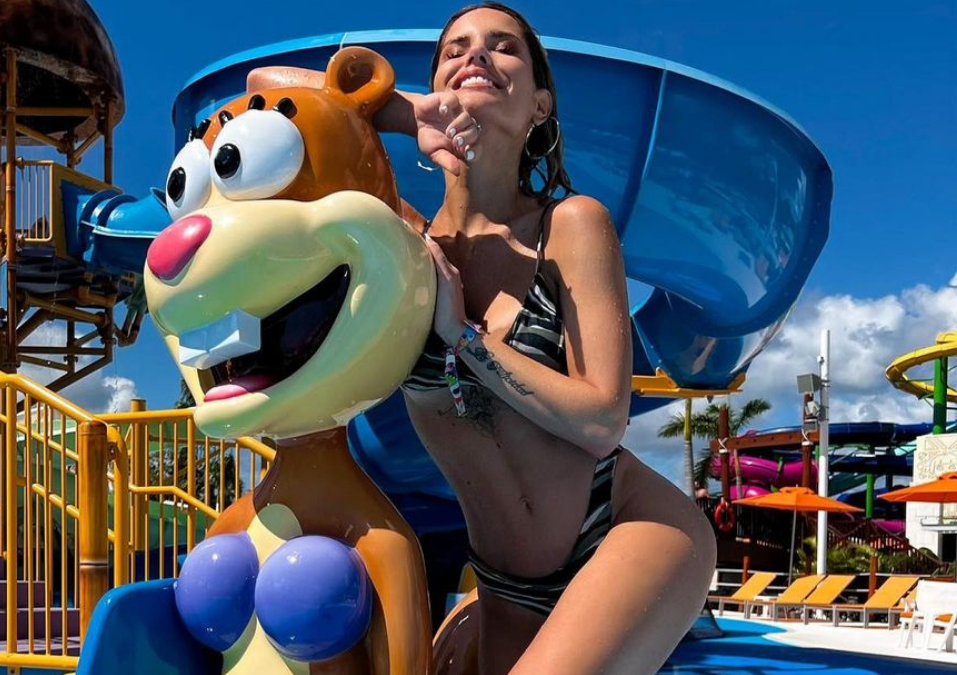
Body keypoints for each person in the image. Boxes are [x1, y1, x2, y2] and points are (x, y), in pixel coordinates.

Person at [249, 4, 716, 674]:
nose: (476, 56)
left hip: (624, 529)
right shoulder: (400, 242)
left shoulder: (569, 226)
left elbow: (601, 420)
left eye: (504, 48)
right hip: (503, 584)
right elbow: (264, 89)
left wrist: (462, 337)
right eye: (456, 49)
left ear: (540, 105)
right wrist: (406, 112)